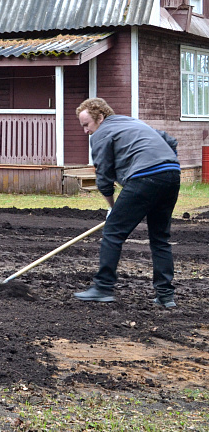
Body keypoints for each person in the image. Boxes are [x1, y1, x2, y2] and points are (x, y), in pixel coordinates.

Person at [74, 97, 181, 308]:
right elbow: (170, 141)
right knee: (160, 238)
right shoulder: (132, 122)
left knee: (113, 233)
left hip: (145, 177)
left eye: (86, 125)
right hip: (172, 174)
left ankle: (103, 288)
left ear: (100, 117)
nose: (85, 131)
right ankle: (165, 296)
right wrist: (166, 167)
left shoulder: (101, 134)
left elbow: (103, 175)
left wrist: (112, 208)